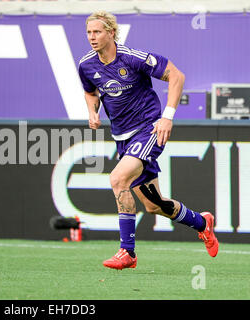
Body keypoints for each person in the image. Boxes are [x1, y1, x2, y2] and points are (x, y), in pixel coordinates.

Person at [78, 11, 219, 270]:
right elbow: (90, 92)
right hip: (123, 138)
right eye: (89, 32)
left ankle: (127, 252)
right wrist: (92, 111)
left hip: (149, 130)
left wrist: (167, 117)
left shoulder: (133, 58)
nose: (92, 37)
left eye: (97, 32)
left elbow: (177, 76)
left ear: (111, 32)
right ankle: (202, 223)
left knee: (118, 179)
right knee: (154, 205)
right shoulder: (87, 65)